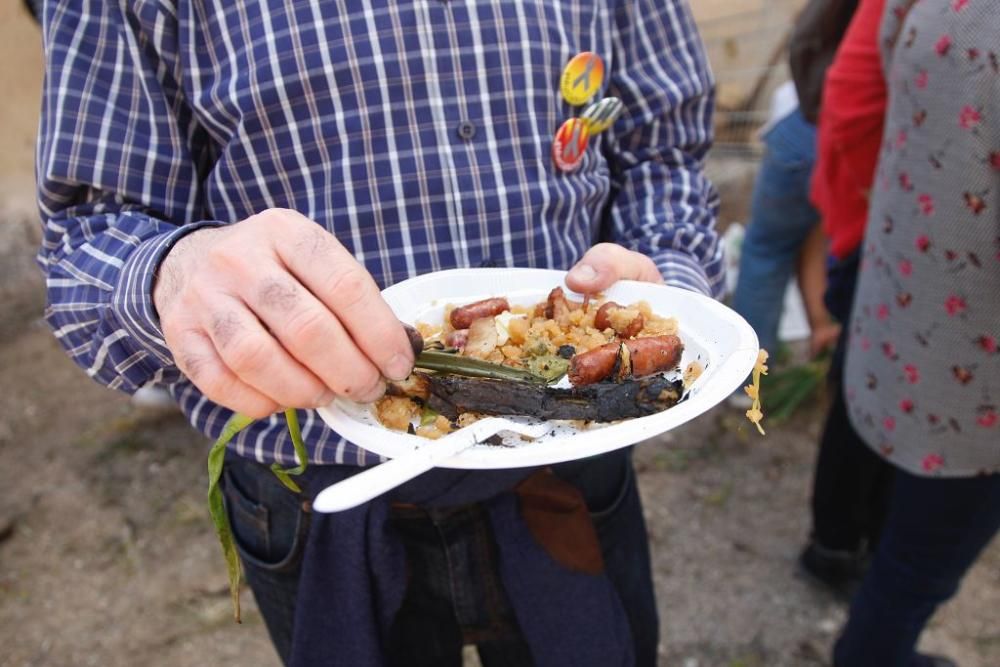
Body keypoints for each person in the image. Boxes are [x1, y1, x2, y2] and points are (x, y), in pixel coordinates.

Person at [34, 2, 722, 666]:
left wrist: (670, 300)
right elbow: (87, 236)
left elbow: (663, 147)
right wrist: (174, 273)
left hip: (572, 450)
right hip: (314, 494)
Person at [832, 1, 1000, 665]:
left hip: (899, 310)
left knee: (904, 538)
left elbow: (880, 59)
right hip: (975, 390)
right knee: (917, 568)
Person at [798, 0, 896, 599]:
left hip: (872, 224)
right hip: (880, 233)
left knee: (862, 393)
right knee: (863, 405)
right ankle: (835, 546)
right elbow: (850, 99)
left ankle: (846, 541)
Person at [729, 0, 858, 363]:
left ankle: (745, 374)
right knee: (812, 234)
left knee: (767, 249)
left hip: (805, 125)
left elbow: (804, 43)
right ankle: (821, 333)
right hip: (845, 132)